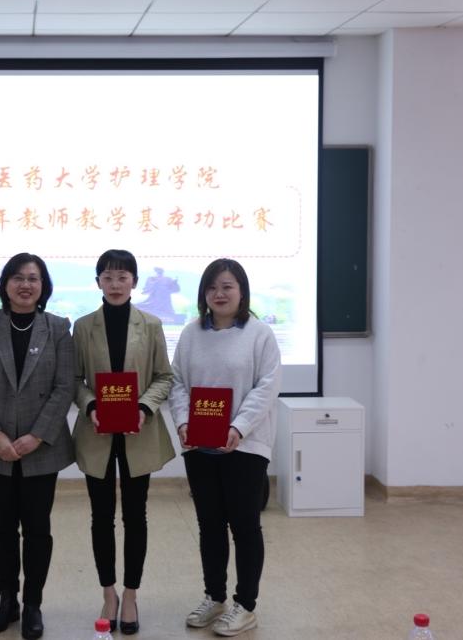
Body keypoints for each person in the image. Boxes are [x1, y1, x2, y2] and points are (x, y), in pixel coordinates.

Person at [0, 252, 76, 640]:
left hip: (40, 449)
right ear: (5, 284)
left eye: (33, 278)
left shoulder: (58, 328)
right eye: (18, 277)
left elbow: (64, 387)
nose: (25, 285)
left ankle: (33, 604)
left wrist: (36, 436)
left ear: (43, 286)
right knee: (2, 529)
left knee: (38, 529)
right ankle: (7, 599)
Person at [168, 258, 281, 637]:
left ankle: (245, 605)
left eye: (227, 286)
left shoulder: (259, 334)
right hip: (200, 445)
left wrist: (238, 427)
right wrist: (182, 422)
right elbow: (177, 382)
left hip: (245, 447)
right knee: (209, 524)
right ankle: (214, 596)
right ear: (203, 293)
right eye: (212, 287)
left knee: (245, 526)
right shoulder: (191, 333)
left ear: (242, 292)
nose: (219, 293)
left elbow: (267, 386)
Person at [72, 249, 174, 635]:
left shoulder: (151, 324)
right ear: (97, 281)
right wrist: (91, 406)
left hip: (138, 433)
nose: (115, 284)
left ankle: (131, 594)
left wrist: (144, 408)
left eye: (123, 277)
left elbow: (164, 376)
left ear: (135, 281)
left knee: (135, 516)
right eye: (108, 277)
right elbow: (75, 379)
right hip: (97, 433)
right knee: (101, 517)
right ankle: (108, 593)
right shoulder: (83, 326)